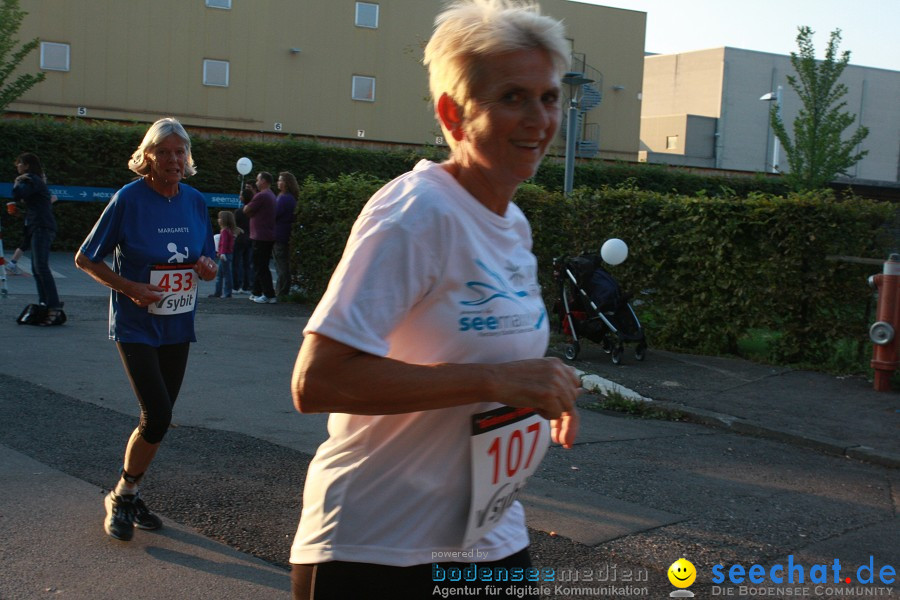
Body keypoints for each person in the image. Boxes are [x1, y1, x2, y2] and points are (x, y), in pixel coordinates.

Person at [288, 2, 580, 598]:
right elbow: (317, 383)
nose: (538, 119)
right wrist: (495, 380)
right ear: (453, 113)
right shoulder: (415, 213)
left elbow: (491, 357)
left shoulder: (513, 223)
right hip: (378, 549)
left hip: (489, 541)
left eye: (549, 97)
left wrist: (541, 390)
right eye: (513, 97)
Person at [74, 117, 218, 542]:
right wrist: (131, 288)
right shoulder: (128, 200)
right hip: (136, 323)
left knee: (159, 421)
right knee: (157, 413)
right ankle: (123, 496)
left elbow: (206, 260)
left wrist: (208, 267)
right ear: (148, 156)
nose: (174, 160)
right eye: (165, 152)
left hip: (177, 323)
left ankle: (129, 491)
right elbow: (86, 258)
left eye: (180, 152)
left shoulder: (194, 201)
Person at [12, 152, 64, 325]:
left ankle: (53, 305)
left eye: (19, 163)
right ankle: (45, 303)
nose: (17, 167)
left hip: (42, 226)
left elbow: (18, 193)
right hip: (38, 225)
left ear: (26, 165)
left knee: (40, 266)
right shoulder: (34, 179)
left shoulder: (30, 179)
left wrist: (19, 181)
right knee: (36, 268)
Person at [243, 172, 276, 304]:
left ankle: (268, 294)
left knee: (260, 266)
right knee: (260, 265)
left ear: (263, 180)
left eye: (258, 180)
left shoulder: (262, 195)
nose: (256, 182)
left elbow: (246, 210)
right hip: (266, 235)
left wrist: (247, 207)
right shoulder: (271, 195)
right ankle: (257, 291)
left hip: (261, 236)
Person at [273, 171, 299, 299]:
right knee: (283, 263)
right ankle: (283, 290)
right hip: (286, 233)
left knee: (281, 264)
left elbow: (274, 215)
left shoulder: (283, 198)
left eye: (280, 180)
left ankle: (281, 291)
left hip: (279, 234)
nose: (278, 182)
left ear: (286, 183)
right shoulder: (291, 198)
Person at [209, 210, 241, 298]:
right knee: (222, 274)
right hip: (227, 254)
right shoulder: (229, 231)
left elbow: (224, 243)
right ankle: (219, 292)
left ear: (224, 220)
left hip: (225, 254)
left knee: (225, 274)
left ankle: (226, 293)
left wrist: (222, 253)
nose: (218, 220)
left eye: (220, 218)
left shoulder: (225, 231)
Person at [232, 185, 254, 294]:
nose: (239, 196)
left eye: (241, 195)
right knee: (247, 263)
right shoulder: (253, 211)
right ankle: (246, 286)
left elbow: (234, 226)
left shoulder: (239, 212)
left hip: (240, 239)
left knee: (236, 263)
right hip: (250, 238)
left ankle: (236, 286)